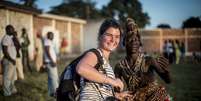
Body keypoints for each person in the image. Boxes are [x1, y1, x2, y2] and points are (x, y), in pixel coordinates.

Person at [114, 18, 171, 101]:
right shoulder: (119, 67)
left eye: (136, 40)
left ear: (140, 43)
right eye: (130, 40)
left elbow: (168, 80)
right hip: (135, 98)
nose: (133, 42)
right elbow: (117, 91)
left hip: (155, 97)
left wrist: (167, 71)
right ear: (124, 43)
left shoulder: (149, 61)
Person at [76, 19, 131, 101]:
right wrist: (113, 81)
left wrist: (116, 95)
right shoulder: (94, 54)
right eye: (109, 35)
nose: (113, 40)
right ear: (100, 36)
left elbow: (96, 88)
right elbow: (81, 68)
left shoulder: (105, 61)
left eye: (117, 37)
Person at [1, 25, 17, 96]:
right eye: (11, 29)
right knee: (7, 78)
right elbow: (5, 51)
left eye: (13, 29)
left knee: (12, 77)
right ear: (7, 30)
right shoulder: (5, 38)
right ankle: (6, 93)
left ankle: (11, 90)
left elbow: (18, 46)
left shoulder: (11, 38)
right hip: (8, 60)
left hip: (12, 60)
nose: (13, 30)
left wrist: (15, 37)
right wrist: (11, 59)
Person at [43, 32, 59, 97]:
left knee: (51, 78)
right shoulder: (47, 41)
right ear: (48, 36)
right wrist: (52, 61)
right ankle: (56, 93)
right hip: (50, 62)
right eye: (51, 35)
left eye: (53, 35)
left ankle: (51, 92)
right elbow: (47, 51)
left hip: (49, 62)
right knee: (54, 78)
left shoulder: (48, 41)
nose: (52, 36)